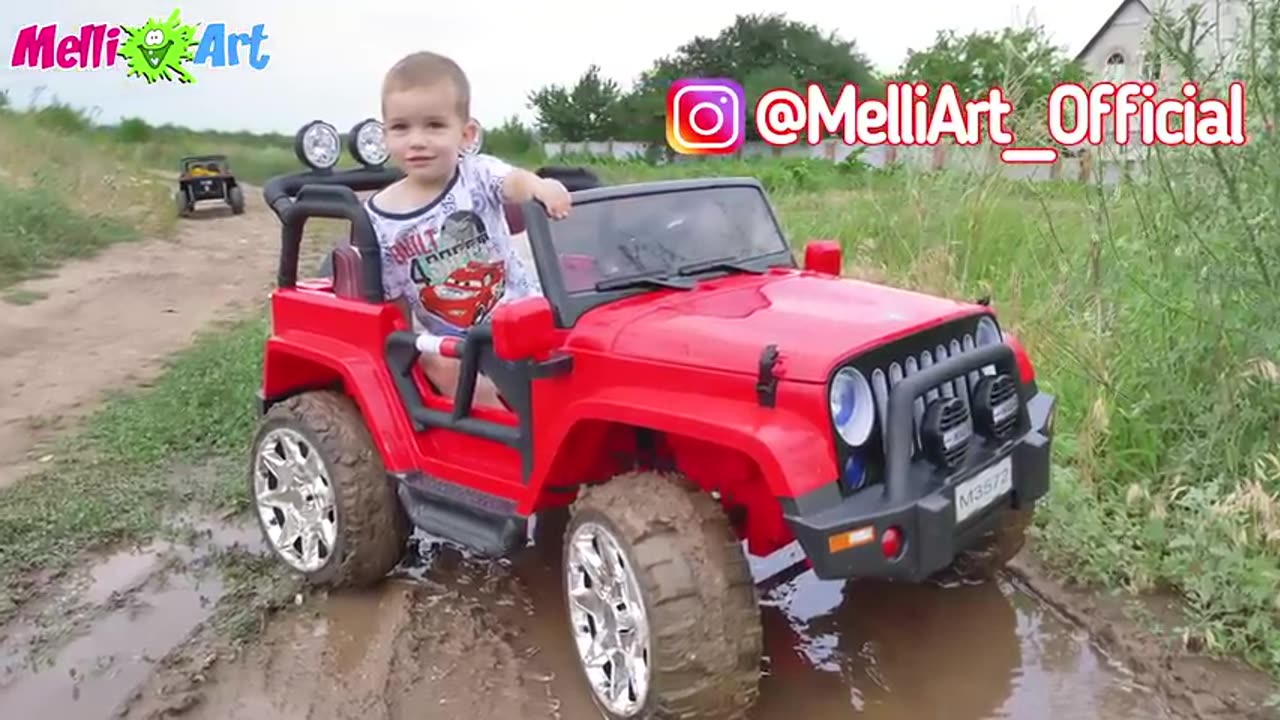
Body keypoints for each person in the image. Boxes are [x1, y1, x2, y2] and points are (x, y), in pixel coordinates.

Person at [365, 51, 572, 409]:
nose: (417, 140)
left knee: (578, 345)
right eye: (401, 127)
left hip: (524, 317)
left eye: (434, 125)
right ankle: (500, 423)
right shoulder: (378, 218)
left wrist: (540, 188)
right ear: (384, 136)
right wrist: (403, 348)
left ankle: (540, 412)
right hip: (455, 341)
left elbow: (512, 182)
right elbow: (394, 302)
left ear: (466, 133)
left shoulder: (476, 175)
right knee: (434, 360)